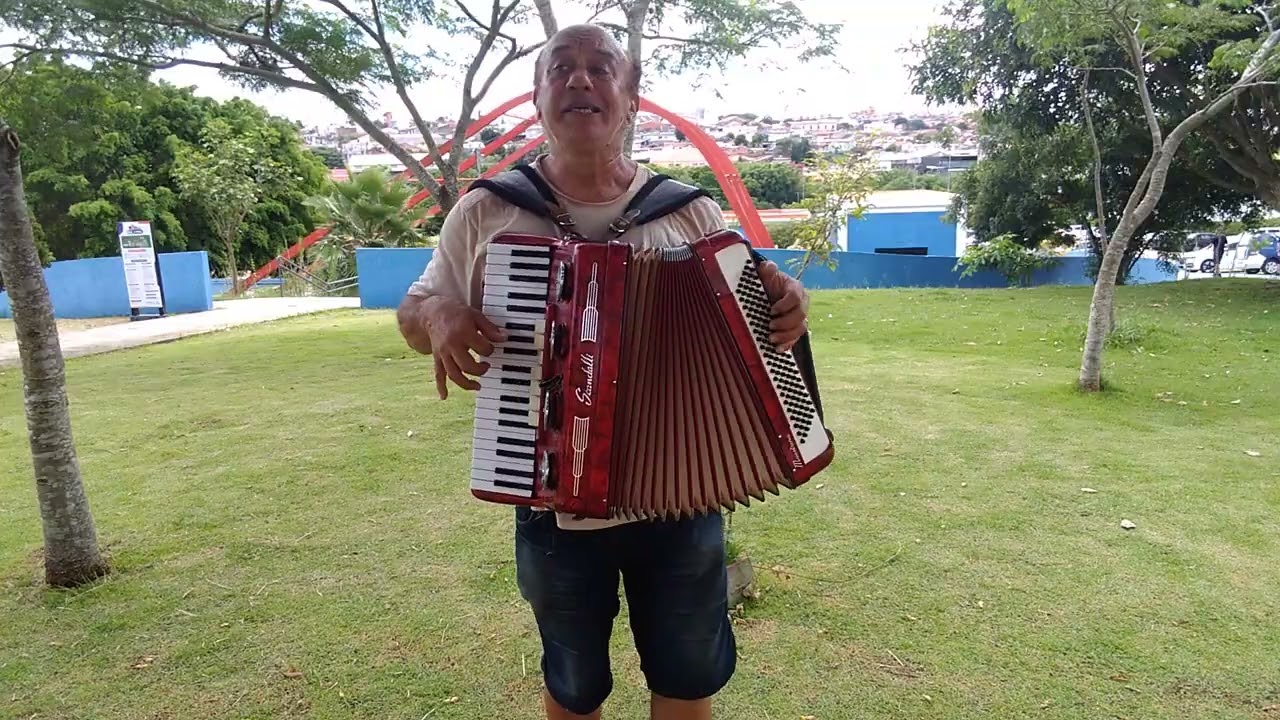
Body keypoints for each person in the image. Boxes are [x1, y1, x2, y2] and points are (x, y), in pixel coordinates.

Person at [396, 23, 811, 720]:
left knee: (686, 677)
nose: (580, 79)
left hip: (682, 492)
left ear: (631, 98)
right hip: (549, 497)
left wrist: (790, 301)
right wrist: (436, 315)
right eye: (562, 68)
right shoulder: (489, 210)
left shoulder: (690, 211)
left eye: (600, 68)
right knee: (574, 680)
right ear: (538, 97)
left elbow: (765, 313)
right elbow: (415, 309)